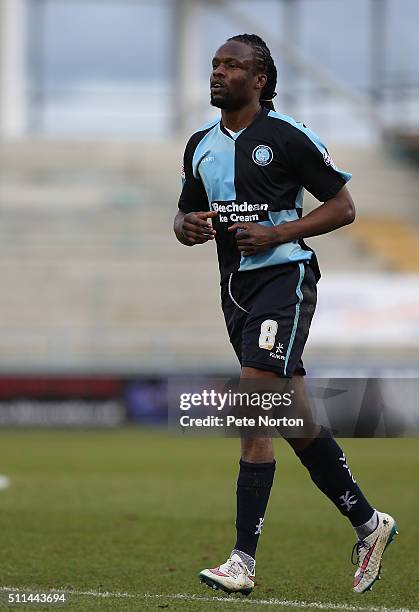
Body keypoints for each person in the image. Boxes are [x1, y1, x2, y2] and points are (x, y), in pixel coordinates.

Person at [173, 33, 397, 596]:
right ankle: (369, 524)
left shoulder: (289, 136)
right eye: (215, 65)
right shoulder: (199, 144)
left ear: (261, 80)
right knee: (293, 421)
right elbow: (182, 218)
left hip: (285, 278)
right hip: (235, 290)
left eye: (232, 66)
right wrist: (190, 228)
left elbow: (343, 207)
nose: (218, 73)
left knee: (252, 404)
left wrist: (278, 231)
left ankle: (242, 562)